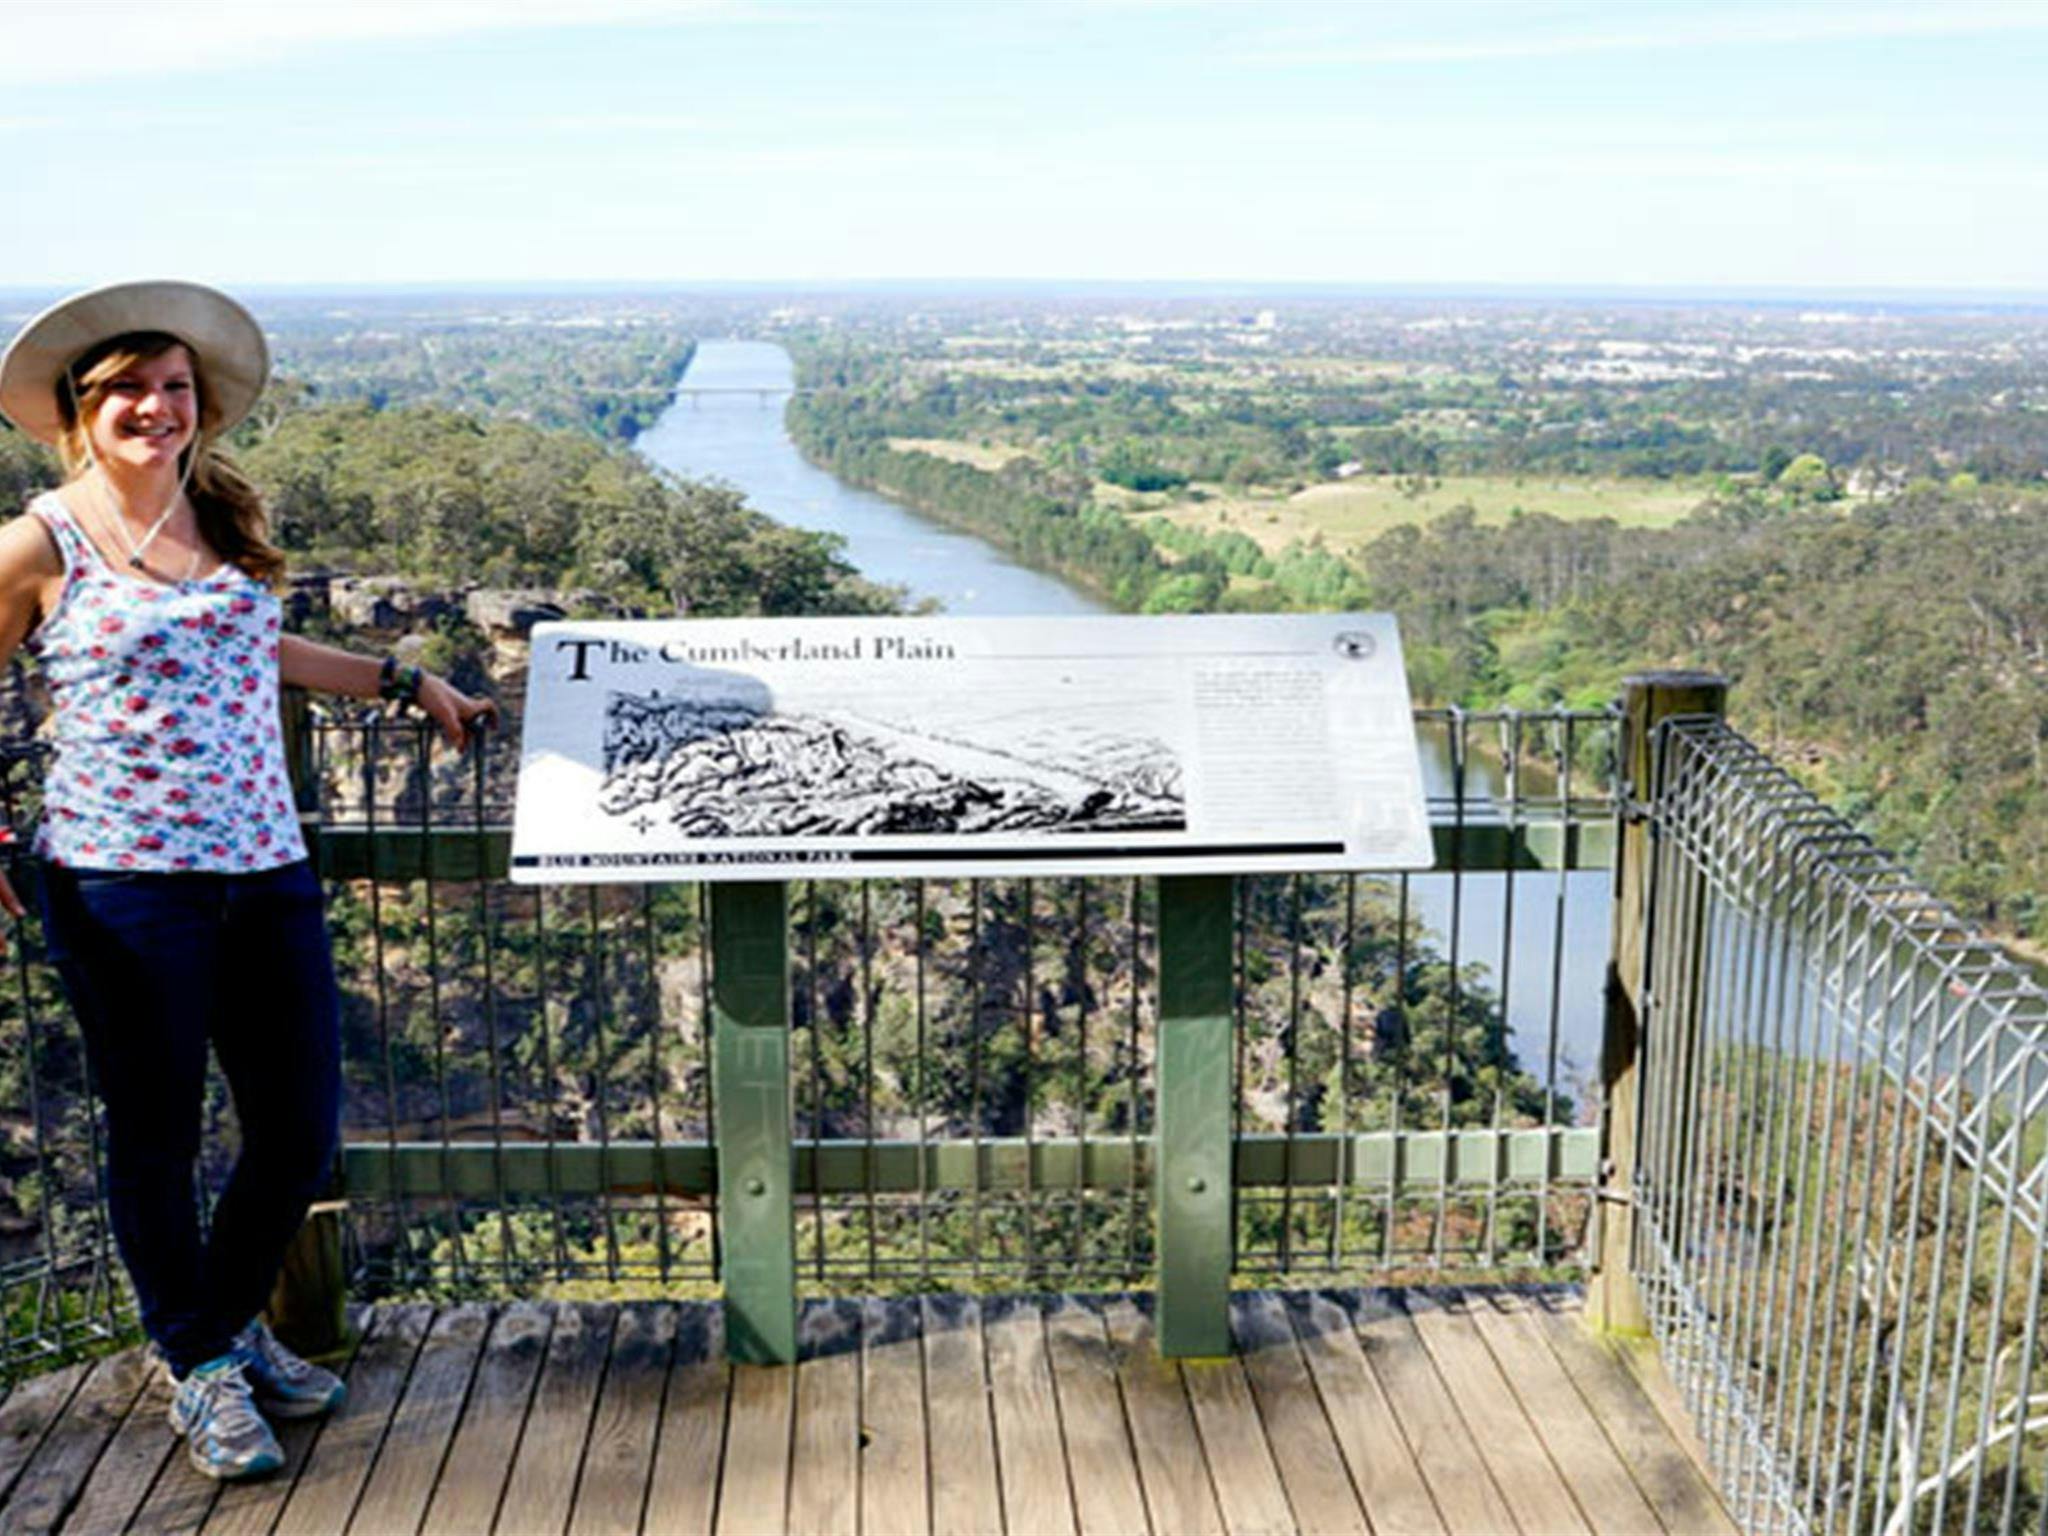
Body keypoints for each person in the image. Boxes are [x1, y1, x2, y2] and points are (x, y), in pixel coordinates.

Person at [0, 281, 495, 1480]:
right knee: (157, 1136)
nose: (154, 407)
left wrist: (397, 678)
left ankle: (211, 1333)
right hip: (124, 888)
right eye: (128, 388)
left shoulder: (211, 515)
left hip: (264, 871)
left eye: (174, 388)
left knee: (296, 1130)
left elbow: (254, 645)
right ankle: (205, 1363)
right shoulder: (38, 540)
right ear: (79, 406)